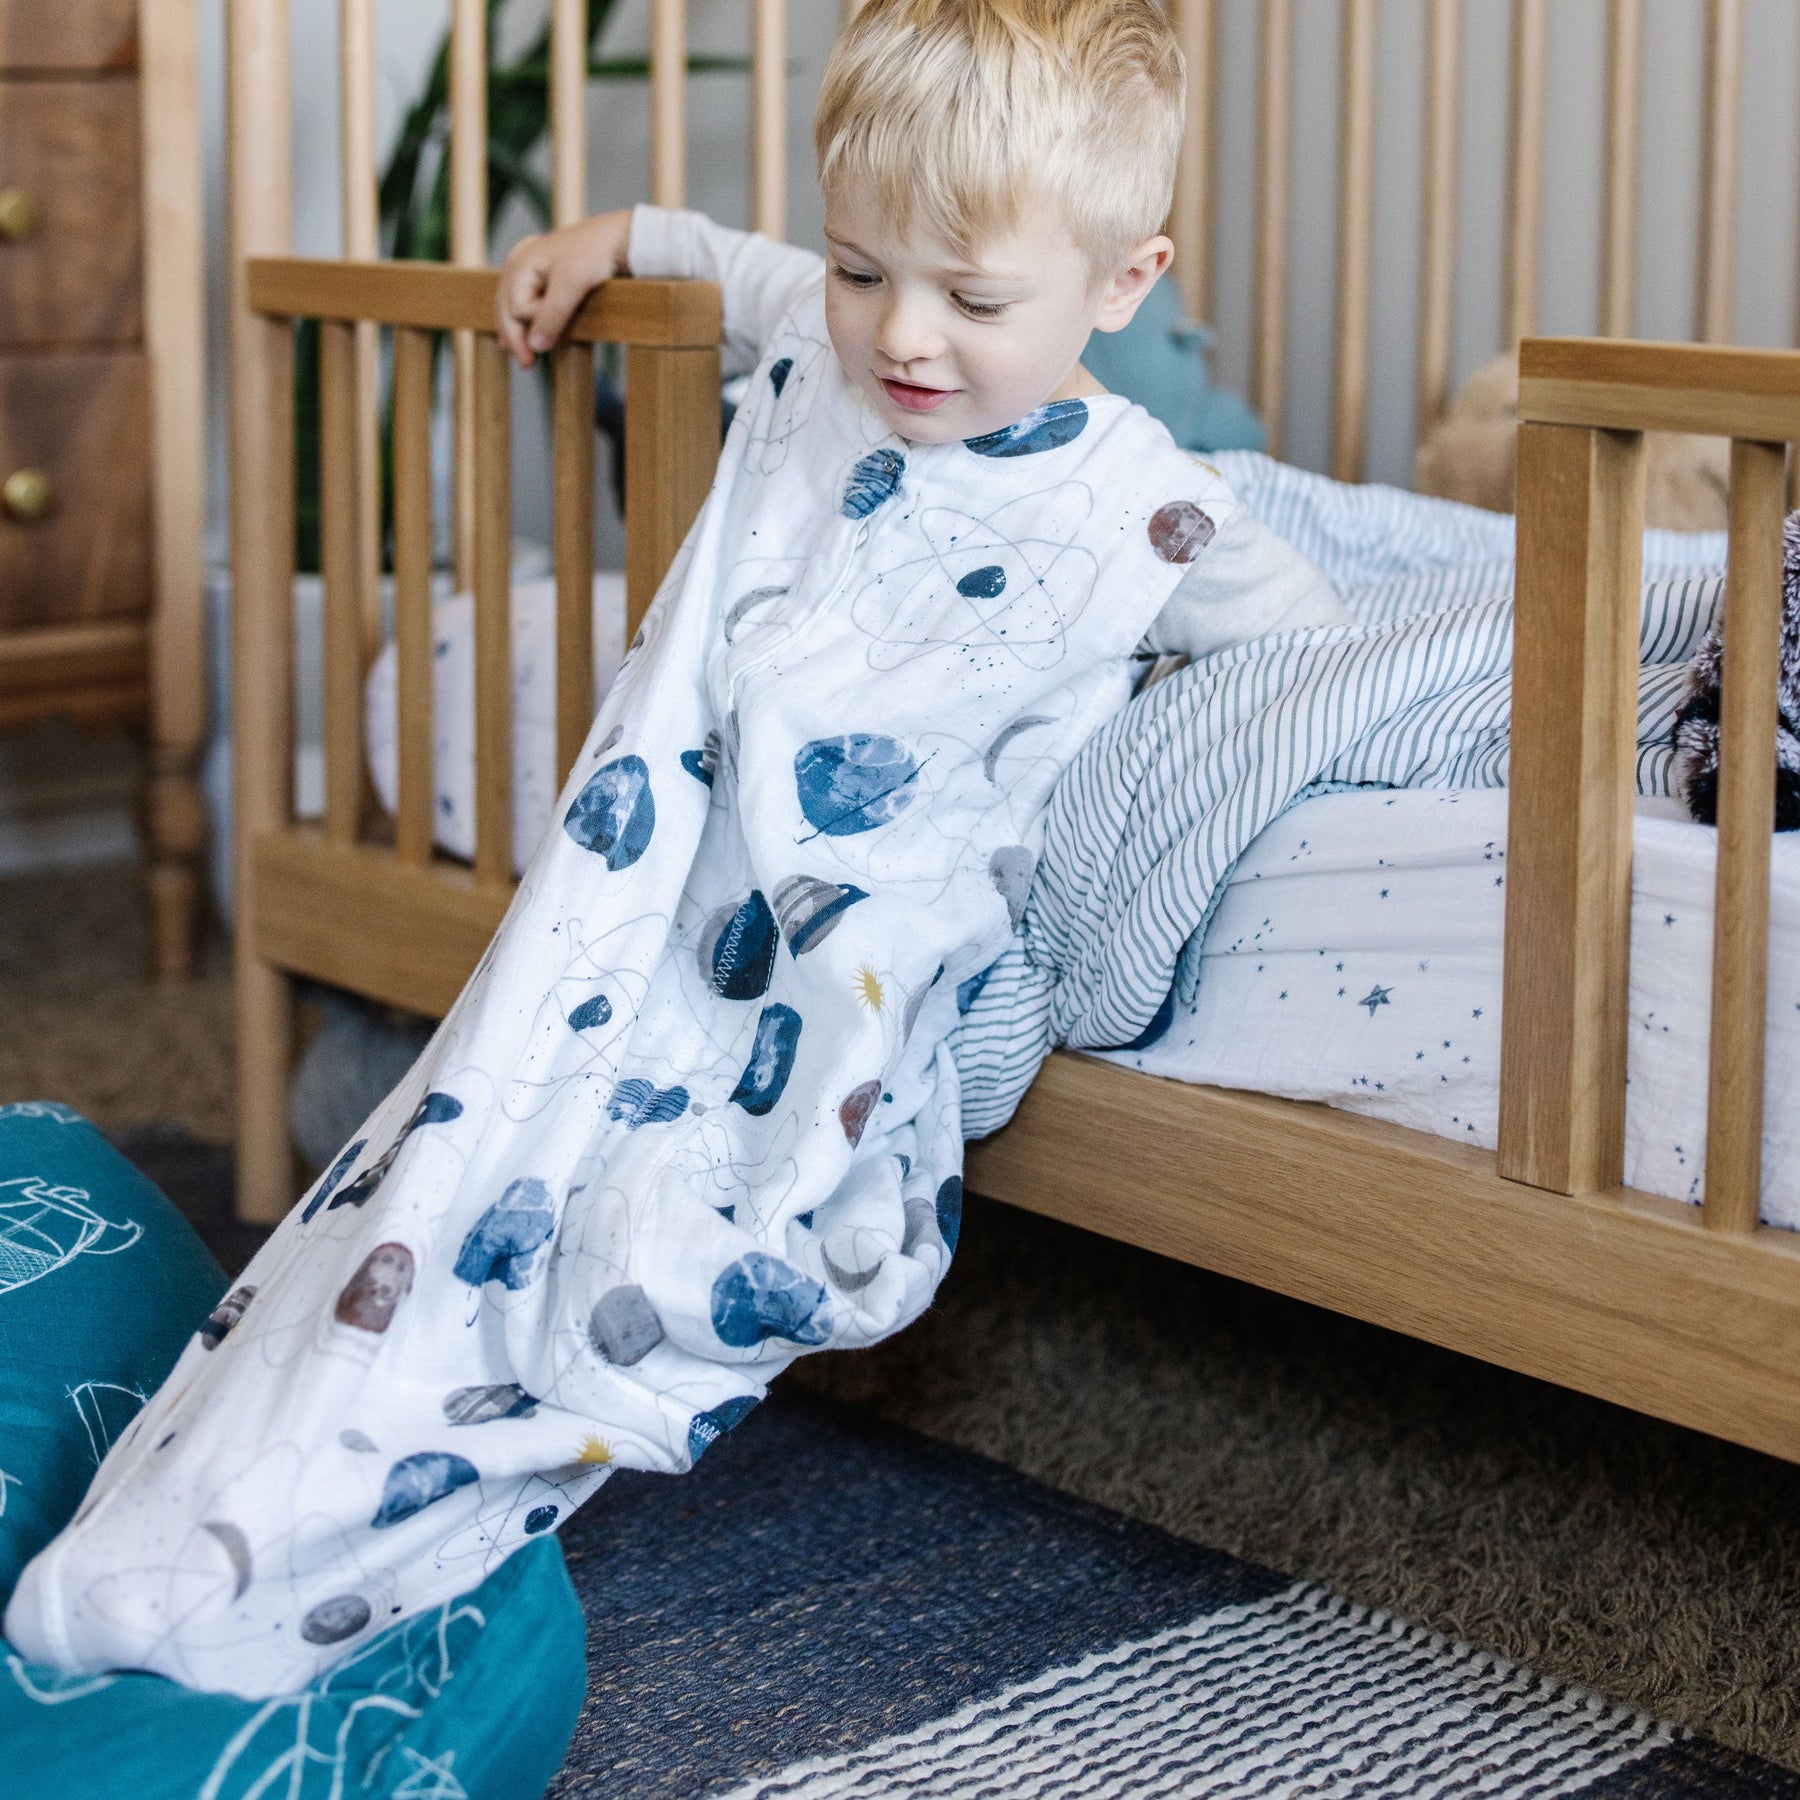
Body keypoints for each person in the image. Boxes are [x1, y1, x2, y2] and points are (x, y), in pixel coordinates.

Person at [6, 0, 1343, 1699]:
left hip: (827, 950)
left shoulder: (1154, 507)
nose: (901, 335)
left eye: (974, 300)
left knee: (668, 1219)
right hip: (646, 881)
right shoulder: (823, 347)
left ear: (1122, 284)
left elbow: (1316, 649)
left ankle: (408, 1445)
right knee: (467, 1143)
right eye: (860, 269)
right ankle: (262, 1463)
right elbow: (720, 256)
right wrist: (607, 242)